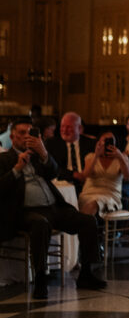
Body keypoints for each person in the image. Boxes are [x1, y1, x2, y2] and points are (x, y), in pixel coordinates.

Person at [0, 117, 106, 298]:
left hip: (53, 207)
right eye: (21, 133)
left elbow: (54, 172)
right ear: (12, 136)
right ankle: (41, 279)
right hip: (26, 212)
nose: (26, 137)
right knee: (40, 224)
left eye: (30, 133)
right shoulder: (4, 158)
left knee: (88, 220)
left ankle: (86, 273)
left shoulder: (37, 155)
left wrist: (44, 154)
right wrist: (17, 169)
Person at [78, 132, 129, 215]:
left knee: (94, 204)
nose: (108, 144)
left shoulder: (122, 158)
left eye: (111, 141)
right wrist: (96, 155)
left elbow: (127, 177)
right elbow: (85, 175)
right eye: (105, 141)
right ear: (99, 143)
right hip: (89, 193)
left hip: (110, 195)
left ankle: (82, 227)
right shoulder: (90, 157)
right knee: (88, 203)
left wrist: (120, 157)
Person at [46, 112, 94, 193]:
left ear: (79, 128)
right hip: (64, 185)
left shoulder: (91, 143)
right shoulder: (52, 144)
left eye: (68, 127)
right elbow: (53, 168)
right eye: (62, 126)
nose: (64, 130)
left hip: (87, 184)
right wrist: (73, 174)